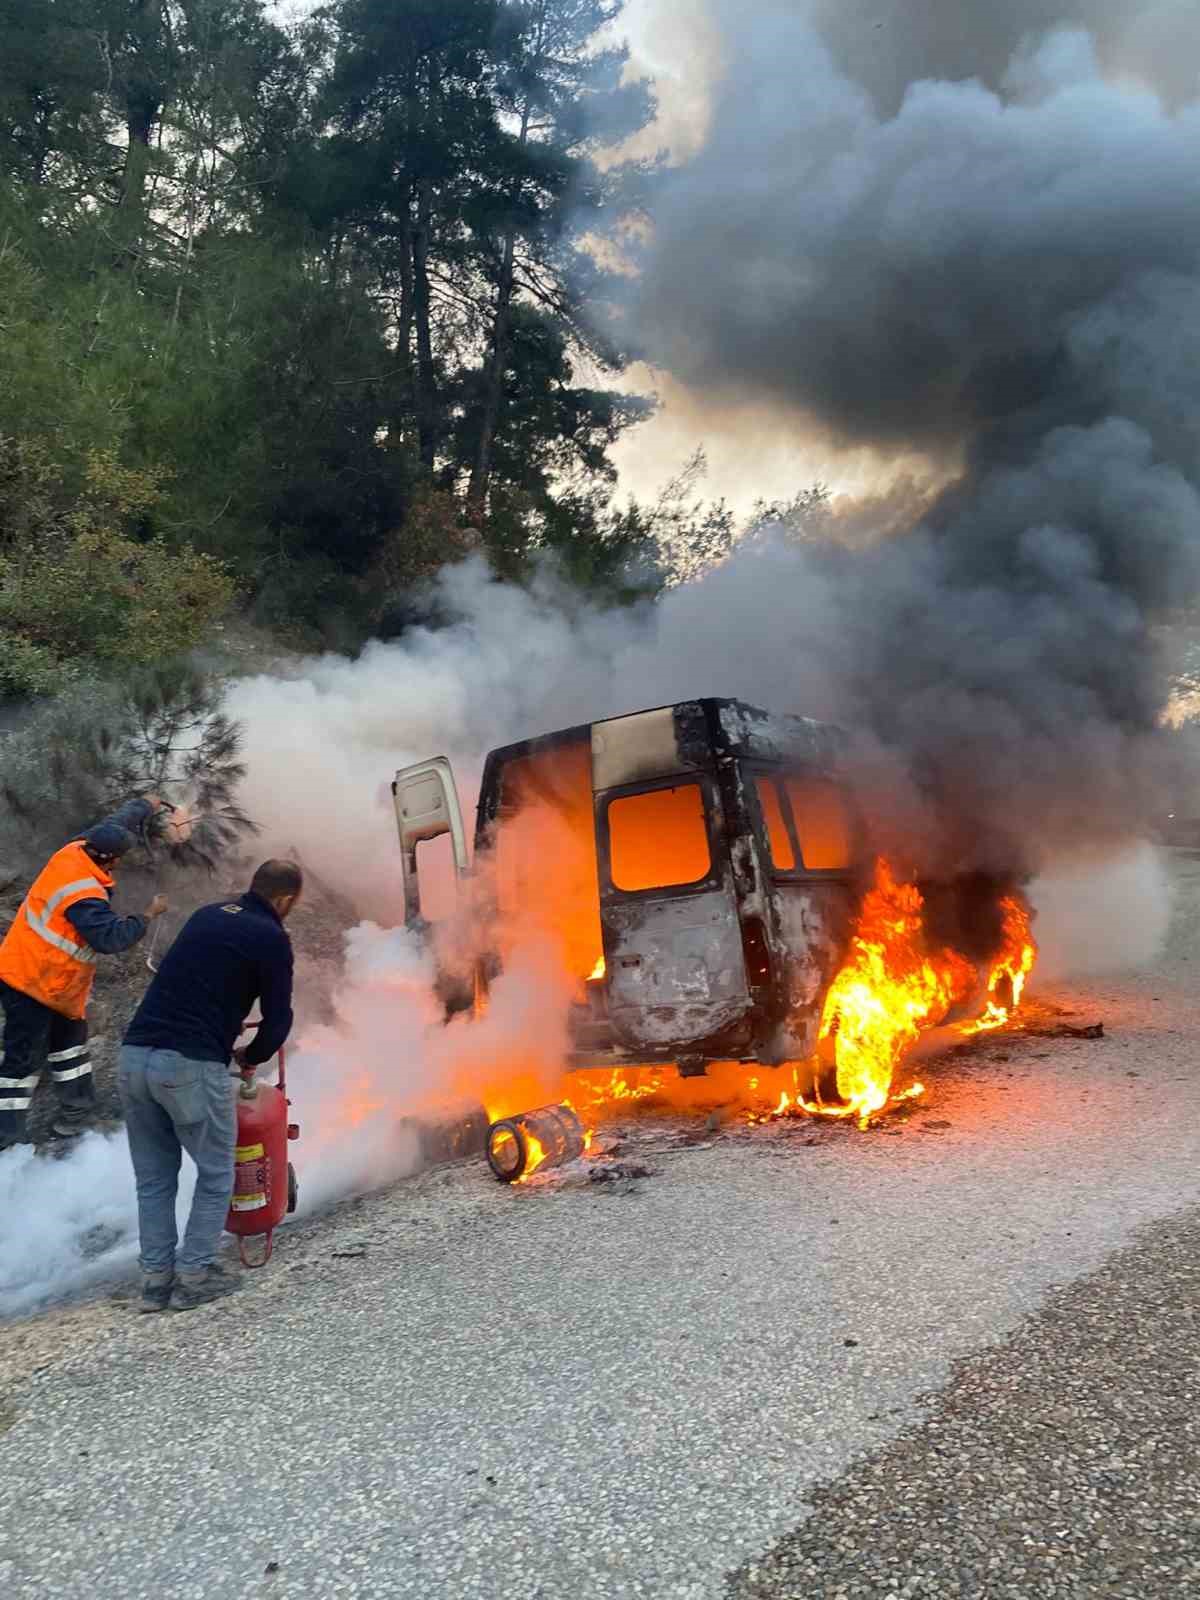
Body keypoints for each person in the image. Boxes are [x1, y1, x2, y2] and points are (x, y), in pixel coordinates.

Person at [118, 859, 301, 1312]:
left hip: (134, 1056)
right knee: (218, 1171)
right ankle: (195, 1274)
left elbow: (196, 981)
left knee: (154, 1179)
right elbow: (278, 1022)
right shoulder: (272, 937)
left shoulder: (207, 914)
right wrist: (251, 1058)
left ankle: (156, 1280)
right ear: (284, 900)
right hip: (189, 1065)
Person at [0, 798, 168, 1149]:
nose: (120, 865)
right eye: (119, 860)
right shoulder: (84, 895)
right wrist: (148, 915)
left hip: (56, 984)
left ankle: (76, 1116)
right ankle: (6, 1139)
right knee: (21, 1059)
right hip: (30, 981)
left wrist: (145, 805)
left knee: (69, 1047)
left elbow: (115, 821)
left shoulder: (74, 849)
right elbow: (110, 938)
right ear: (109, 858)